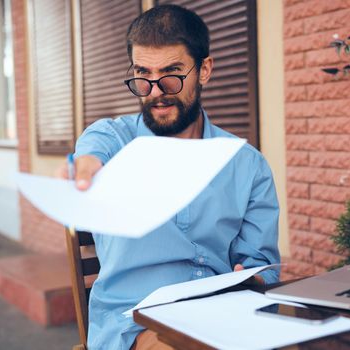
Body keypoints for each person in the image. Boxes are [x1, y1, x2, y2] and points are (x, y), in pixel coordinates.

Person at [59, 4, 280, 349]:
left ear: (204, 69)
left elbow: (262, 264)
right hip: (133, 322)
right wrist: (85, 165)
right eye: (142, 75)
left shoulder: (247, 165)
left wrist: (251, 279)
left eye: (172, 74)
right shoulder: (115, 142)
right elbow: (93, 147)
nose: (156, 91)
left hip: (219, 315)